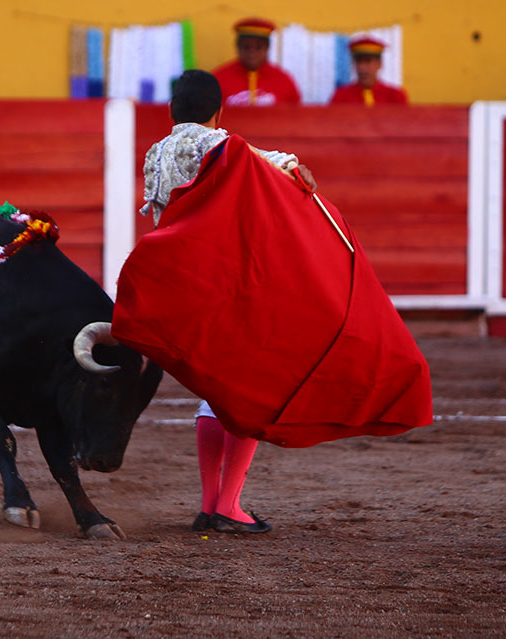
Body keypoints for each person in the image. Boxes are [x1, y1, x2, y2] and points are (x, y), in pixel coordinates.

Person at [139, 70, 315, 534]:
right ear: (218, 112)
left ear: (172, 110)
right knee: (245, 389)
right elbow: (266, 161)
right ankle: (229, 505)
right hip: (222, 285)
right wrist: (295, 166)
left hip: (179, 289)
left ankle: (211, 503)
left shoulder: (155, 154)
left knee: (213, 392)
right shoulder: (217, 143)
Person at [213, 17, 300, 107]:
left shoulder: (284, 80)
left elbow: (295, 116)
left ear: (267, 49)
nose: (252, 52)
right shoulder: (217, 80)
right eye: (246, 47)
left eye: (258, 47)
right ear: (238, 47)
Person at [330, 36, 408, 106]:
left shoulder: (395, 96)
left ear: (380, 64)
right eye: (359, 62)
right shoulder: (341, 96)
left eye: (368, 62)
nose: (362, 67)